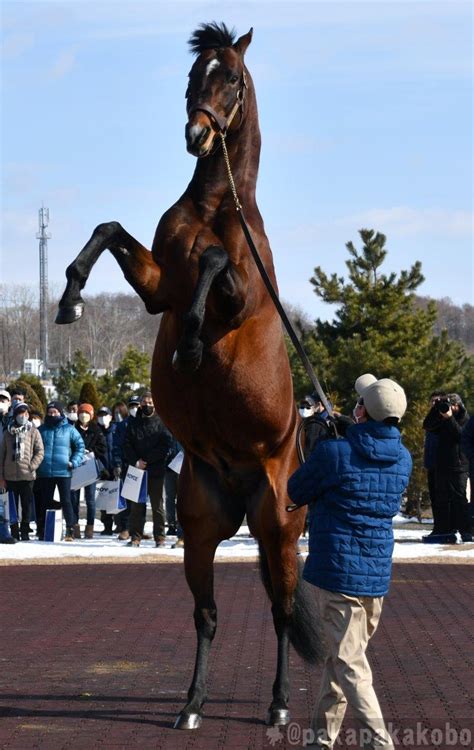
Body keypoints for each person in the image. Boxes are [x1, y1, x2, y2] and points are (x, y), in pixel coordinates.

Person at [287, 376, 412, 749]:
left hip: (337, 573)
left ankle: (379, 741)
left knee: (350, 666)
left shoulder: (334, 453)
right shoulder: (403, 457)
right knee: (343, 662)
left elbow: (296, 490)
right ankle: (320, 740)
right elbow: (364, 461)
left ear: (362, 411)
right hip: (375, 577)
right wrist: (347, 435)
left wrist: (326, 442)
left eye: (359, 403)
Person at [123, 391, 173, 547]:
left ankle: (160, 537)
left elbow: (165, 445)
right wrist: (136, 461)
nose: (147, 405)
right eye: (144, 402)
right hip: (137, 470)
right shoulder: (133, 423)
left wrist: (148, 460)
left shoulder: (162, 422)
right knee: (137, 507)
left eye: (150, 402)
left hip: (156, 470)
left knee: (157, 506)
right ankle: (135, 536)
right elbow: (127, 444)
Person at [422, 393, 471, 544]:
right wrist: (435, 409)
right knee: (441, 501)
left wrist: (449, 418)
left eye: (452, 406)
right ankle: (444, 532)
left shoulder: (465, 419)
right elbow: (427, 425)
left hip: (459, 467)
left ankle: (466, 532)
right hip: (441, 466)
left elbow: (460, 436)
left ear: (458, 406)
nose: (449, 408)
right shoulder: (441, 418)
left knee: (460, 500)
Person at [36, 401, 85, 541]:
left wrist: (74, 461)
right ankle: (43, 529)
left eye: (55, 412)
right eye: (50, 412)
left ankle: (70, 529)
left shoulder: (69, 429)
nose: (52, 415)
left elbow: (80, 446)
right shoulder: (41, 430)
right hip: (45, 472)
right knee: (45, 502)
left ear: (60, 413)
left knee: (66, 501)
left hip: (64, 471)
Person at [0, 403, 44, 540]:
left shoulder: (33, 431)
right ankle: (14, 532)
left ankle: (25, 531)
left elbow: (40, 451)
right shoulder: (8, 432)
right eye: (20, 413)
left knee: (26, 505)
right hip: (10, 476)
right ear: (15, 414)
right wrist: (1, 476)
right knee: (12, 507)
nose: (23, 416)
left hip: (27, 476)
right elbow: (2, 455)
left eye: (25, 414)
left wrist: (32, 466)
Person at [70, 403, 107, 539]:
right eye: (81, 413)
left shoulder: (96, 430)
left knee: (90, 499)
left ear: (91, 415)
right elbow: (68, 446)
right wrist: (78, 453)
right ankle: (75, 526)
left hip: (91, 467)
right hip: (77, 467)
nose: (83, 415)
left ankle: (90, 527)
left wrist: (91, 452)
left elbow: (103, 447)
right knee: (74, 499)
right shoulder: (73, 429)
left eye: (86, 413)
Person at [111, 396, 138, 540]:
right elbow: (117, 447)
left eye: (136, 405)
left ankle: (137, 528)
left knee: (139, 500)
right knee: (126, 499)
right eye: (132, 405)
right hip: (127, 465)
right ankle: (126, 528)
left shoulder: (143, 422)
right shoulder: (122, 426)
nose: (134, 408)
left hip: (142, 465)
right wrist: (117, 464)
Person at [97, 406, 116, 535]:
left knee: (116, 499)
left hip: (115, 468)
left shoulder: (116, 430)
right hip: (102, 470)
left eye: (105, 415)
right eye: (100, 415)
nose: (103, 418)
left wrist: (117, 466)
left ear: (110, 417)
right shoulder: (96, 431)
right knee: (103, 500)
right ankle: (107, 525)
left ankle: (121, 525)